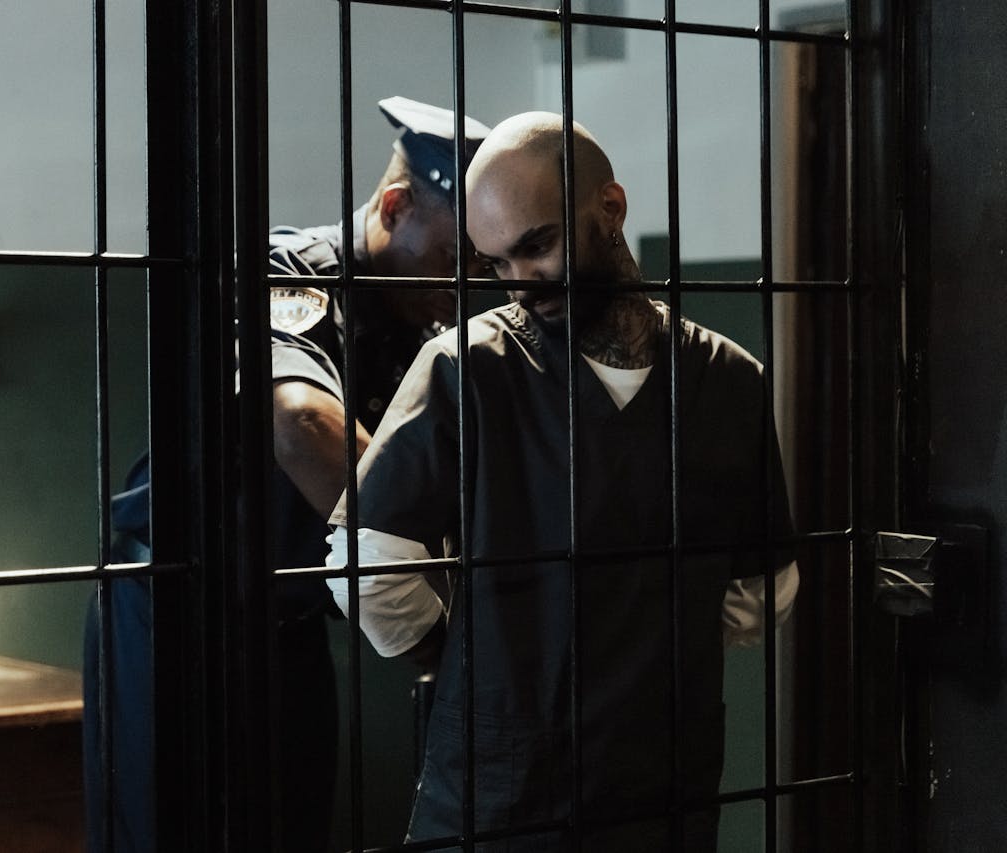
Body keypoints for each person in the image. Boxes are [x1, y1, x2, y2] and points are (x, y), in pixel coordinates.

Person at [325, 112, 800, 852]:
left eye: (536, 247)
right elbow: (365, 565)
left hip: (652, 787)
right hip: (515, 792)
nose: (520, 284)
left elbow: (763, 588)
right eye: (496, 264)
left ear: (609, 208)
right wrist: (481, 662)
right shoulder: (466, 369)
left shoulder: (727, 382)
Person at [82, 96, 491, 853]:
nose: (468, 284)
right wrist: (435, 554)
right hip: (176, 615)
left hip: (289, 624)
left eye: (485, 265)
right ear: (395, 208)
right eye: (454, 259)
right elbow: (300, 423)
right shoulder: (290, 274)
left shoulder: (429, 325)